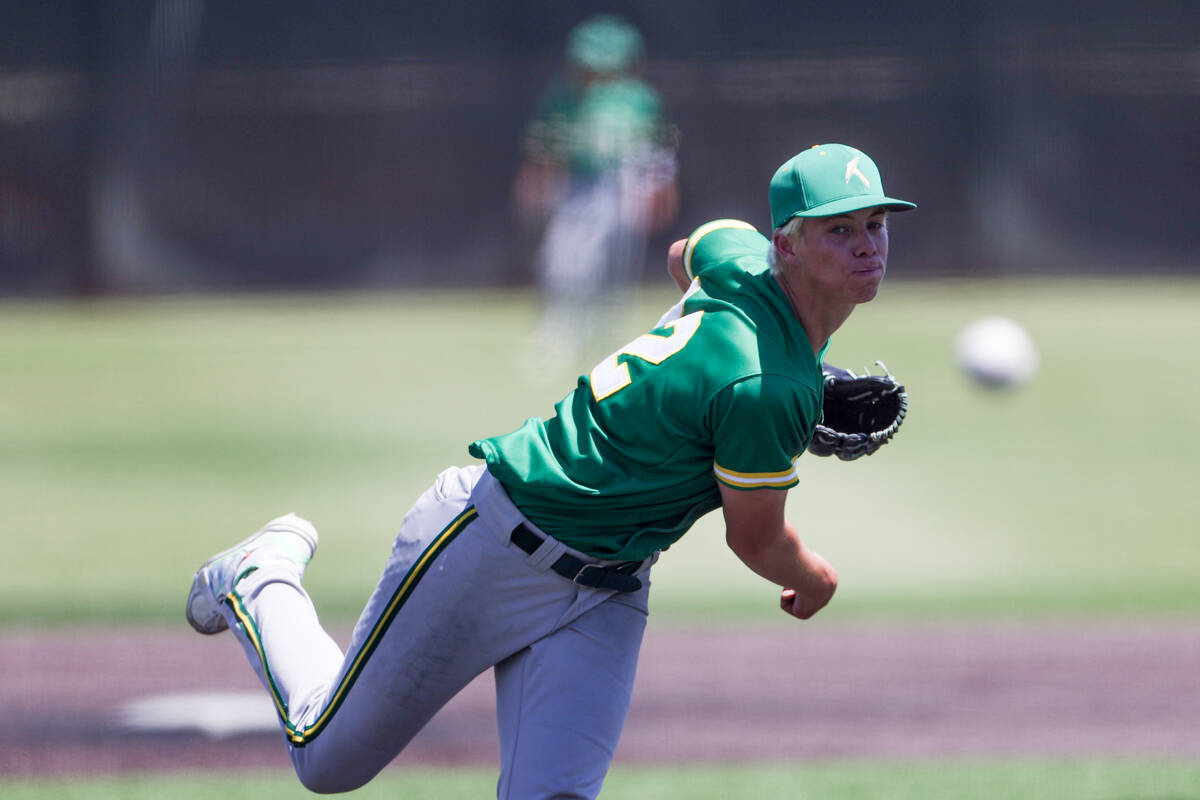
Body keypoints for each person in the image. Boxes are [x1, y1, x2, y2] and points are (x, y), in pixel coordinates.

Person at [186, 142, 915, 798]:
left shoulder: (738, 250)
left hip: (609, 591)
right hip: (493, 543)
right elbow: (756, 542)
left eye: (876, 225)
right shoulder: (763, 391)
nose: (866, 246)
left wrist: (739, 367)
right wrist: (817, 578)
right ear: (788, 246)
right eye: (839, 229)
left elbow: (685, 251)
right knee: (328, 761)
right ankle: (260, 576)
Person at [513, 14, 679, 368]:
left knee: (615, 265)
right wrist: (536, 183)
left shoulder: (639, 99)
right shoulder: (564, 95)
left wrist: (661, 190)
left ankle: (605, 334)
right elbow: (545, 147)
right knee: (563, 259)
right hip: (578, 183)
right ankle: (558, 331)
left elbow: (658, 151)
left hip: (625, 184)